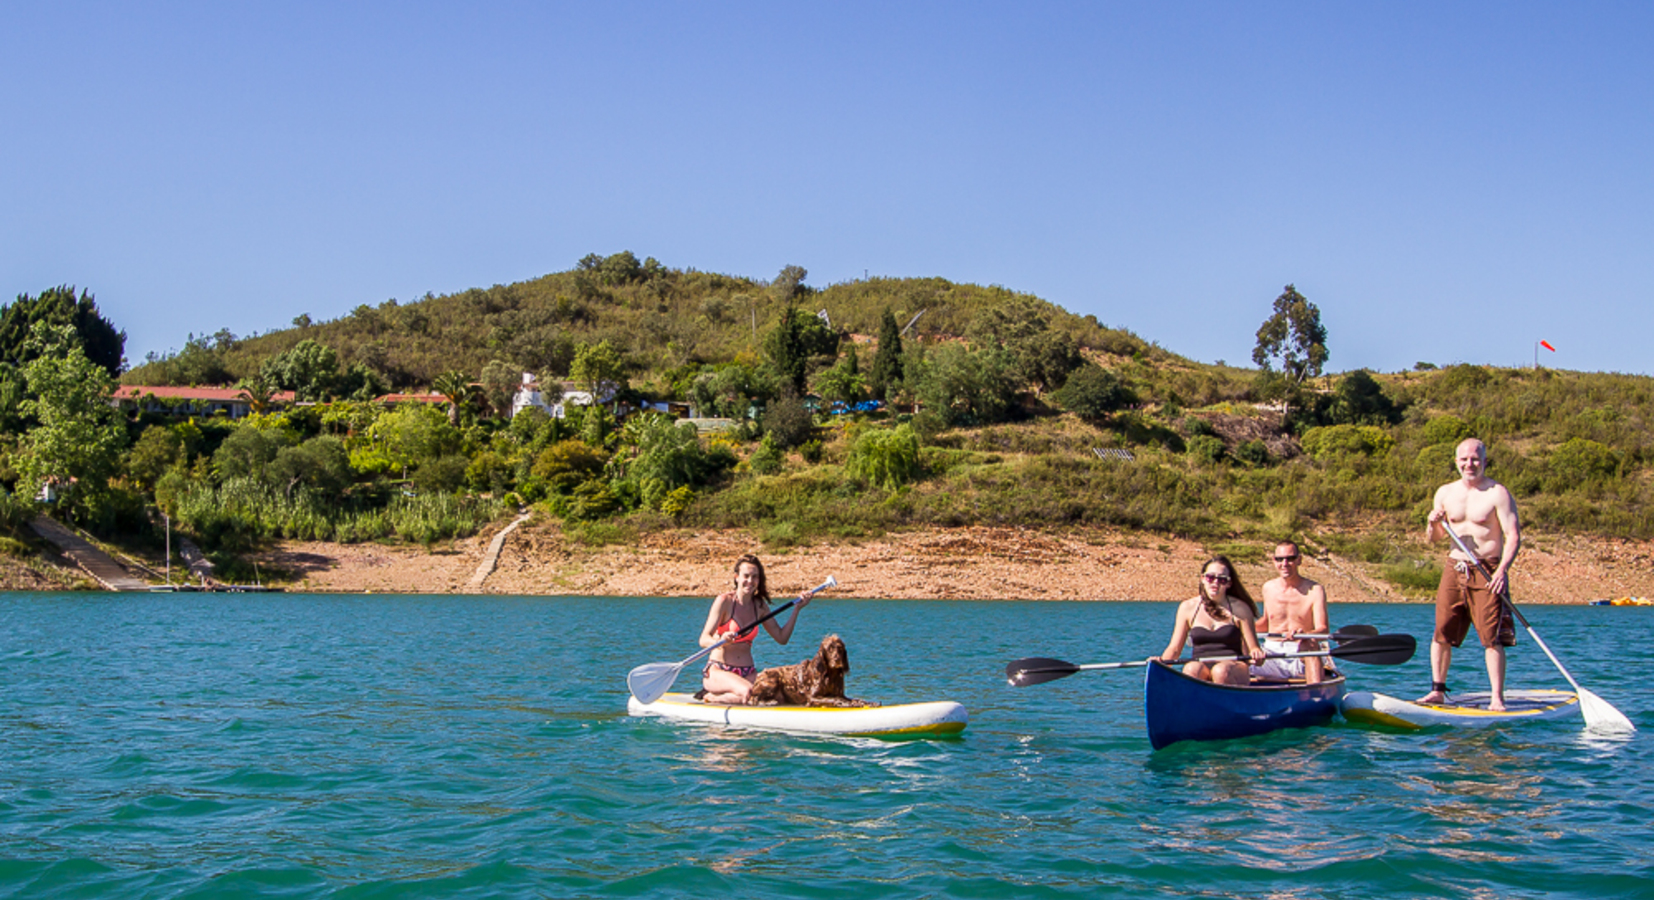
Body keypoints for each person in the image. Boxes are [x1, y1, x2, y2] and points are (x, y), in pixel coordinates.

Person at [1419, 437, 1520, 711]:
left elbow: (1512, 536)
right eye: (1464, 459)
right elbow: (1435, 539)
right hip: (1455, 567)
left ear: (1485, 461)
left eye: (1475, 459)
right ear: (1456, 462)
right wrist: (1432, 524)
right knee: (1441, 632)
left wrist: (1502, 570)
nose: (1469, 464)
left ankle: (1496, 698)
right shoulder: (1444, 493)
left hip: (1488, 569)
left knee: (1492, 637)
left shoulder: (1497, 493)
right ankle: (1437, 691)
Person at [698, 553, 812, 704]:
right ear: (736, 577)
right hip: (719, 671)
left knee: (777, 695)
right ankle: (712, 697)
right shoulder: (724, 601)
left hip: (748, 672)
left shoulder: (760, 606)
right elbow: (703, 639)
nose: (750, 581)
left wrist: (797, 609)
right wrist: (721, 640)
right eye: (746, 576)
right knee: (749, 692)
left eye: (755, 577)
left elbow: (781, 638)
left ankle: (735, 698)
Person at [1159, 556, 1266, 685]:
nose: (1215, 583)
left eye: (1222, 579)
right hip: (1202, 665)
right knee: (1191, 668)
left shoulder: (1240, 609)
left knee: (1221, 671)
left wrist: (1257, 655)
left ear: (1229, 583)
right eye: (1210, 577)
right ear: (1203, 579)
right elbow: (1175, 648)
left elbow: (1253, 648)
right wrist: (1160, 664)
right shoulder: (1187, 608)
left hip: (1233, 666)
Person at [1253, 540, 1330, 684]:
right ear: (1274, 561)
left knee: (1311, 644)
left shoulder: (1315, 590)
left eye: (1290, 559)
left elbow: (1323, 629)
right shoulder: (1268, 588)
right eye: (1279, 559)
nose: (1284, 563)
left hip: (1300, 651)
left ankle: (1315, 696)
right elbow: (1267, 622)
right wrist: (1240, 629)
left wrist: (1304, 635)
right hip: (1271, 652)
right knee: (1242, 647)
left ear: (1299, 560)